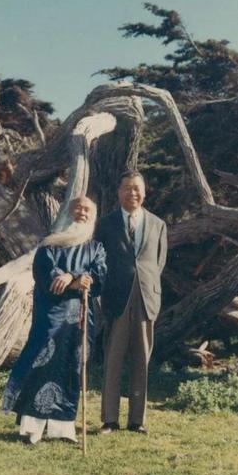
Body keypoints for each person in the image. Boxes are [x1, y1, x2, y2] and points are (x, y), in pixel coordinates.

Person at [2, 196, 106, 444]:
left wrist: (77, 275)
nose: (82, 212)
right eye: (78, 207)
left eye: (88, 209)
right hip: (51, 314)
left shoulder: (96, 248)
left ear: (93, 216)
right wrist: (71, 280)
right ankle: (32, 427)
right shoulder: (49, 245)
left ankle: (63, 429)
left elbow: (99, 276)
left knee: (72, 366)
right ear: (68, 213)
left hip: (80, 317)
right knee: (41, 362)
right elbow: (45, 273)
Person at [95, 170, 167, 435]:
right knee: (113, 359)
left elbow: (158, 263)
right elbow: (98, 261)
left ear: (144, 192)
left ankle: (138, 420)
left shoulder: (158, 224)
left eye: (137, 189)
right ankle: (109, 420)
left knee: (142, 360)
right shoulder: (105, 224)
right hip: (116, 298)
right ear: (119, 192)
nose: (132, 193)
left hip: (147, 298)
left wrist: (145, 285)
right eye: (127, 188)